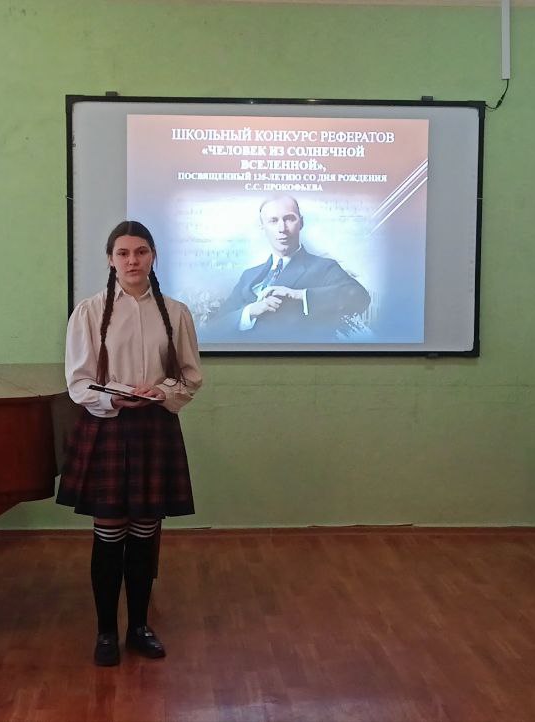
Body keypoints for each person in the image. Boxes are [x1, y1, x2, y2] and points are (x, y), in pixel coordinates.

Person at [60, 220, 203, 667]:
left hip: (154, 427)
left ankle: (139, 627)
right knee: (108, 535)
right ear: (110, 260)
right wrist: (116, 397)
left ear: (153, 256)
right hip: (109, 427)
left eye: (141, 252)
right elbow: (79, 382)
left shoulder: (176, 312)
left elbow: (190, 376)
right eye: (123, 253)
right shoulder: (88, 311)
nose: (132, 260)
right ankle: (106, 632)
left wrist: (160, 390)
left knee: (144, 534)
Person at [210, 195, 370, 342]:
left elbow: (360, 298)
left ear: (301, 223)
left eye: (289, 219)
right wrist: (250, 311)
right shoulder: (249, 276)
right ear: (262, 226)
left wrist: (298, 295)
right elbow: (216, 326)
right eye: (273, 221)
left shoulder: (324, 267)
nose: (282, 228)